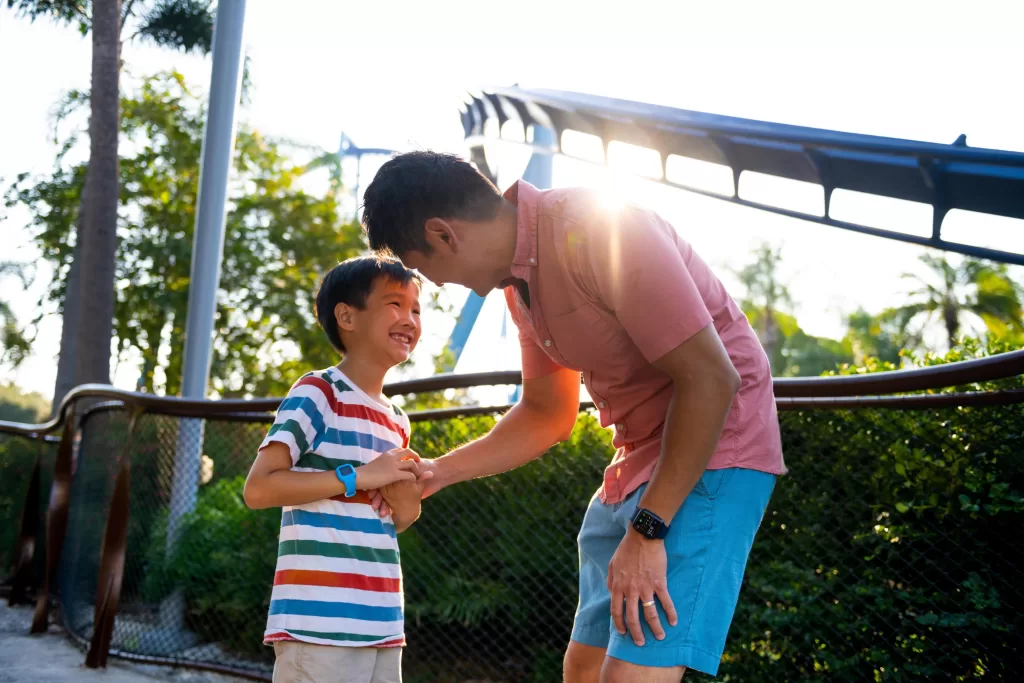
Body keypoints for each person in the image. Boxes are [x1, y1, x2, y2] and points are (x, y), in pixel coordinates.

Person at [360, 152, 786, 682]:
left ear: (444, 235)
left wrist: (648, 530)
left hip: (714, 452)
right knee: (582, 670)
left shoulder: (600, 229)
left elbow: (713, 380)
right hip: (634, 460)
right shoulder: (519, 288)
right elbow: (547, 413)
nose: (439, 285)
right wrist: (437, 472)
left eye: (426, 269)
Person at [243, 255, 431, 683]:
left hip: (383, 625)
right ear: (346, 316)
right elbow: (258, 488)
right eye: (395, 304)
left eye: (416, 309)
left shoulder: (397, 419)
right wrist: (358, 476)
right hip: (318, 628)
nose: (410, 319)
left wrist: (408, 506)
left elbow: (391, 519)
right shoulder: (319, 391)